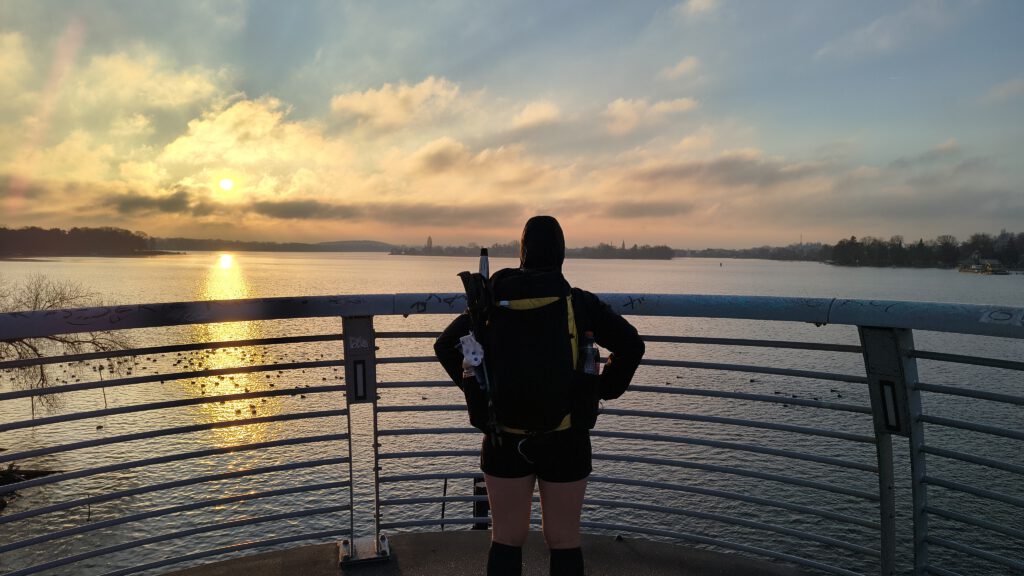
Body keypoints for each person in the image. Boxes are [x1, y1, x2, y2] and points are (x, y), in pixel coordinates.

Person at [434, 216, 645, 576]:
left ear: (522, 254)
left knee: (506, 538)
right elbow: (632, 346)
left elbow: (445, 346)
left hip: (504, 438)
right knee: (564, 539)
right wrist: (600, 389)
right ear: (561, 256)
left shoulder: (490, 304)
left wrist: (482, 389)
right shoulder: (578, 303)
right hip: (566, 438)